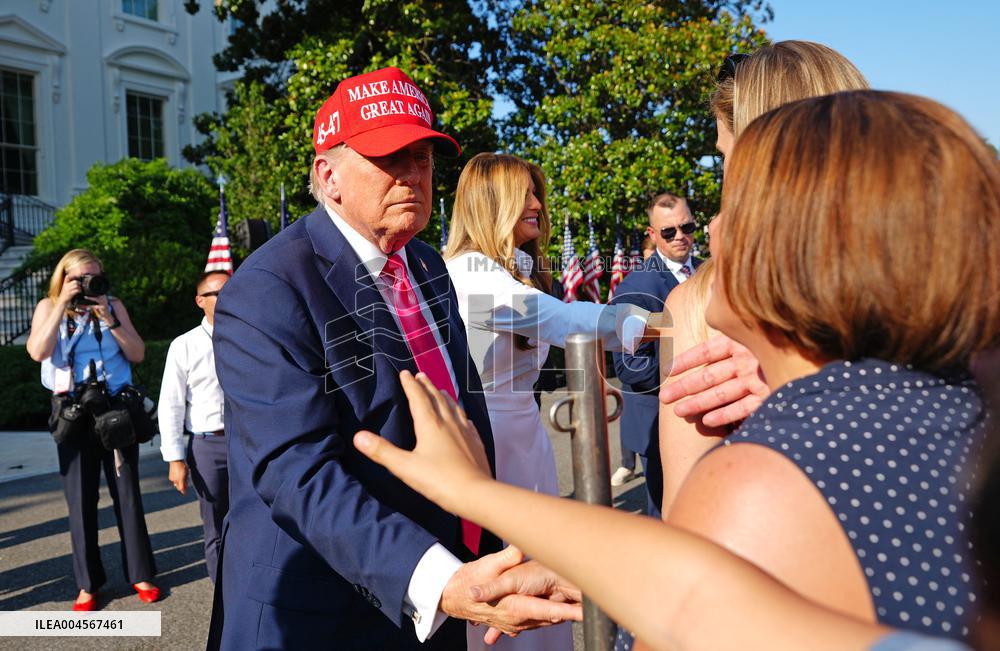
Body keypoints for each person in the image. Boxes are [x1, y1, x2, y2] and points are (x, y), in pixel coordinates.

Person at [355, 89, 1000, 650]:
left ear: (798, 247)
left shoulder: (765, 478)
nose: (707, 231)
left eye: (731, 202)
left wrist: (470, 492)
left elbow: (698, 601)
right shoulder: (960, 417)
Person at [208, 67, 581, 650]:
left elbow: (462, 408)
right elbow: (296, 470)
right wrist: (439, 579)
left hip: (435, 601)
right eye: (390, 157)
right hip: (319, 614)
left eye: (424, 157)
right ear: (327, 176)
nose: (412, 175)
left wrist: (485, 550)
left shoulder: (427, 265)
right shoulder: (267, 289)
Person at [442, 152, 654, 650]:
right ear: (492, 203)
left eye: (537, 192)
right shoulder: (471, 273)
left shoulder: (512, 269)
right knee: (508, 585)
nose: (538, 204)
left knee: (541, 573)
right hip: (489, 448)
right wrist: (636, 323)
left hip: (525, 440)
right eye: (526, 194)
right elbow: (558, 319)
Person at [658, 40, 870, 515]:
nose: (725, 173)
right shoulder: (700, 305)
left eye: (726, 153)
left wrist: (803, 397)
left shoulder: (927, 288)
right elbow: (686, 519)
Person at [25, 248, 159, 611]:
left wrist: (109, 318)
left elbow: (138, 353)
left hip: (116, 411)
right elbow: (38, 351)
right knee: (81, 502)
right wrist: (61, 304)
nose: (87, 284)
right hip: (74, 412)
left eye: (93, 276)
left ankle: (141, 574)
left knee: (128, 495)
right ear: (63, 278)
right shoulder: (47, 306)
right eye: (79, 278)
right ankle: (88, 584)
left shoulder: (112, 304)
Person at [609, 191, 703, 516]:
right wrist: (697, 376)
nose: (680, 236)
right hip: (658, 426)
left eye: (687, 227)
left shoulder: (709, 273)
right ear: (652, 234)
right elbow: (630, 366)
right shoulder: (637, 287)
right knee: (666, 520)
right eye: (668, 231)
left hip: (711, 421)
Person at [157, 270, 230, 583]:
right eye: (216, 293)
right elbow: (171, 403)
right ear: (201, 301)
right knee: (214, 522)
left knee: (255, 517)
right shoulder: (184, 345)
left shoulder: (251, 335)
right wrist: (175, 458)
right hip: (208, 445)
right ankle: (222, 592)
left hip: (248, 441)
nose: (226, 297)